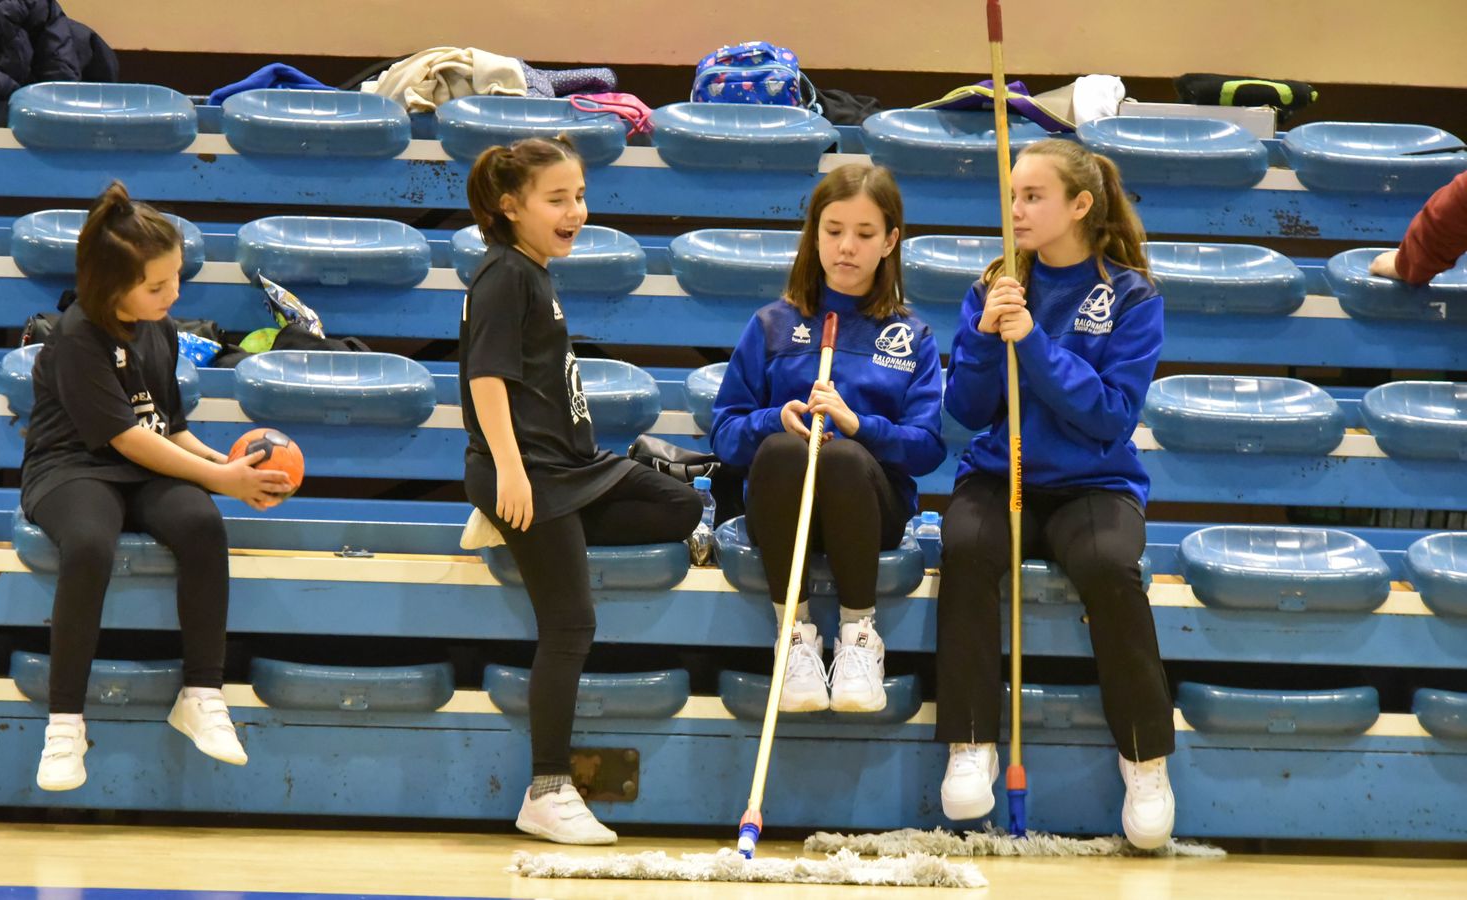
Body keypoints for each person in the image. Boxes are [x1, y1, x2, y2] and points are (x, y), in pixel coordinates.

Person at [460, 136, 701, 844]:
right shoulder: (502, 276)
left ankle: (506, 521)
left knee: (680, 503)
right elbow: (484, 379)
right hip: (529, 472)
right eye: (557, 199)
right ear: (511, 208)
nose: (576, 212)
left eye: (580, 197)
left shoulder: (534, 272)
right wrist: (507, 473)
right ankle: (547, 789)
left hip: (570, 467)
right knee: (571, 625)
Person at [936, 140, 1176, 848]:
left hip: (1092, 484)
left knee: (1108, 567)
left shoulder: (1131, 296)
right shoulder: (993, 285)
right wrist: (985, 338)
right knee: (966, 546)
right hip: (999, 472)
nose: (1017, 211)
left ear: (1079, 205)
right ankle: (971, 743)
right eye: (1012, 197)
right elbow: (968, 409)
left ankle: (1146, 759)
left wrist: (1035, 342)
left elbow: (1107, 415)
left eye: (1033, 197)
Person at [22, 182, 293, 792]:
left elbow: (167, 428)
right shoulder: (75, 338)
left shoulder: (159, 329)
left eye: (176, 280)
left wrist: (230, 467)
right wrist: (219, 476)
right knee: (90, 542)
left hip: (143, 465)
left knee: (201, 523)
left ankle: (201, 693)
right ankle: (65, 723)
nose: (173, 295)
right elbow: (127, 439)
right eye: (156, 286)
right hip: (70, 468)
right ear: (109, 286)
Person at [710, 163, 945, 715]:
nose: (846, 247)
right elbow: (724, 433)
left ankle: (860, 635)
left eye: (865, 235)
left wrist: (860, 425)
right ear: (814, 234)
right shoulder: (770, 324)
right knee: (788, 447)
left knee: (839, 456)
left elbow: (928, 448)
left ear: (890, 241)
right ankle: (794, 635)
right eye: (833, 230)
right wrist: (773, 419)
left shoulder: (912, 336)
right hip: (782, 507)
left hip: (870, 508)